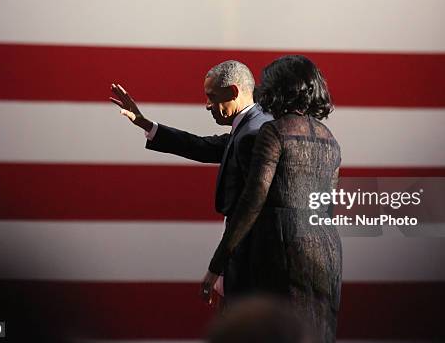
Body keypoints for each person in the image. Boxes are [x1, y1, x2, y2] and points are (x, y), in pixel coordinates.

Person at [200, 55, 343, 342]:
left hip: (280, 251)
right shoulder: (330, 138)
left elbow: (253, 201)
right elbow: (326, 206)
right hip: (327, 252)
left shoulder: (274, 133)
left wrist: (217, 265)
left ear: (278, 89)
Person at [109, 60, 273, 303]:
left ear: (233, 92)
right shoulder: (250, 126)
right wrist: (145, 124)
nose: (207, 105)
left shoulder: (253, 132)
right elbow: (201, 146)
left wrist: (218, 267)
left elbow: (250, 209)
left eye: (211, 97)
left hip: (248, 264)